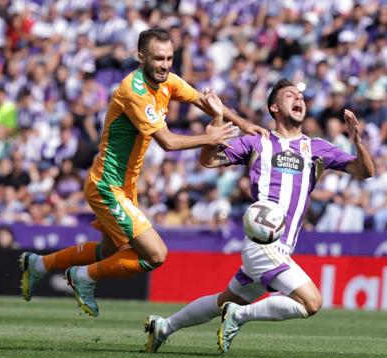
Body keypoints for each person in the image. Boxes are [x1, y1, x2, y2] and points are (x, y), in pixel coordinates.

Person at [18, 28, 265, 317]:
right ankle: (82, 277)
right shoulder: (133, 91)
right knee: (156, 255)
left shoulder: (167, 81)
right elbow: (168, 142)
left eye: (170, 58)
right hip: (107, 185)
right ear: (141, 58)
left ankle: (38, 265)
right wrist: (211, 138)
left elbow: (205, 102)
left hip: (125, 186)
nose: (165, 64)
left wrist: (245, 125)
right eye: (158, 58)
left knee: (109, 251)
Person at [143, 79, 374, 353]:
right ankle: (239, 316)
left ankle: (164, 327)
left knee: (224, 300)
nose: (299, 99)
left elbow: (364, 172)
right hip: (261, 243)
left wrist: (357, 141)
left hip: (283, 248)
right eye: (290, 95)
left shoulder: (316, 148)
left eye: (301, 96)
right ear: (274, 107)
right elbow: (208, 160)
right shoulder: (258, 142)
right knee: (311, 302)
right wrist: (216, 120)